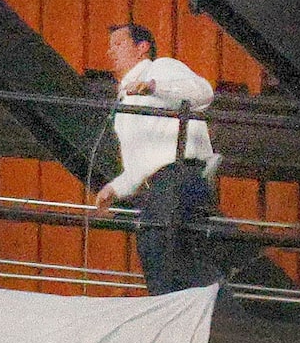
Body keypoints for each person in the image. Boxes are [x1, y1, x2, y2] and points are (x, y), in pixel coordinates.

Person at [93, 21, 221, 294]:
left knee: (164, 248)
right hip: (160, 187)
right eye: (110, 46)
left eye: (118, 44)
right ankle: (198, 314)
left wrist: (154, 87)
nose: (110, 51)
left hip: (179, 177)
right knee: (162, 253)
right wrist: (115, 188)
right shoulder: (125, 100)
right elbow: (140, 162)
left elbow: (203, 92)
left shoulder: (160, 69)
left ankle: (205, 315)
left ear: (142, 48)